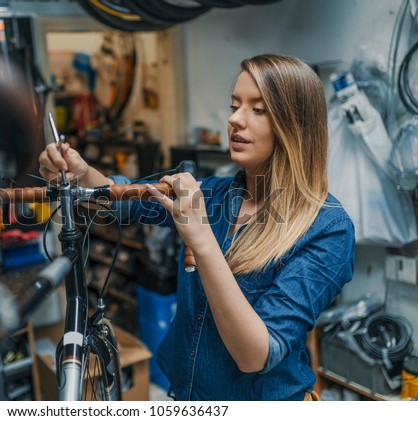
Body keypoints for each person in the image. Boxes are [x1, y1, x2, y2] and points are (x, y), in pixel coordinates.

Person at [38, 54, 355, 401]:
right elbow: (127, 202)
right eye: (234, 106)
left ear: (296, 125)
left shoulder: (328, 228)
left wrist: (201, 239)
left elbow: (256, 354)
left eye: (257, 110)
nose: (235, 119)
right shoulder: (219, 194)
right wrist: (80, 173)